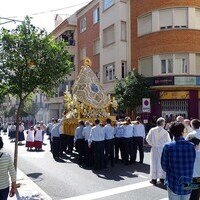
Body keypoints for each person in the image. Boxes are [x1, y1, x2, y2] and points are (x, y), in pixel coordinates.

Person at [161, 122, 196, 200]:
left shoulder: (167, 146)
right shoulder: (191, 146)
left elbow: (164, 166)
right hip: (188, 180)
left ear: (171, 133)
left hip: (173, 181)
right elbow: (193, 161)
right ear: (183, 131)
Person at [146, 117, 171, 185]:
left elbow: (147, 139)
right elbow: (169, 142)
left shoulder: (152, 130)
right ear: (162, 123)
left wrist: (152, 144)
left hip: (154, 148)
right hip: (162, 149)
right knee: (161, 163)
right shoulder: (165, 132)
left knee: (154, 163)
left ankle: (154, 179)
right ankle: (162, 178)